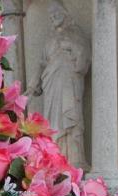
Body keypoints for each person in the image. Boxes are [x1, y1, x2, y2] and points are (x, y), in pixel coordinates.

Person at [26, 0, 90, 169]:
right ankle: (55, 159)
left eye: (57, 13)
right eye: (51, 15)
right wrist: (33, 83)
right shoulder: (49, 39)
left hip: (69, 81)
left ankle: (75, 160)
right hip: (51, 83)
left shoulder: (75, 34)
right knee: (53, 122)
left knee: (71, 117)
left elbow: (84, 58)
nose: (53, 17)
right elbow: (41, 63)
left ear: (65, 14)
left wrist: (70, 46)